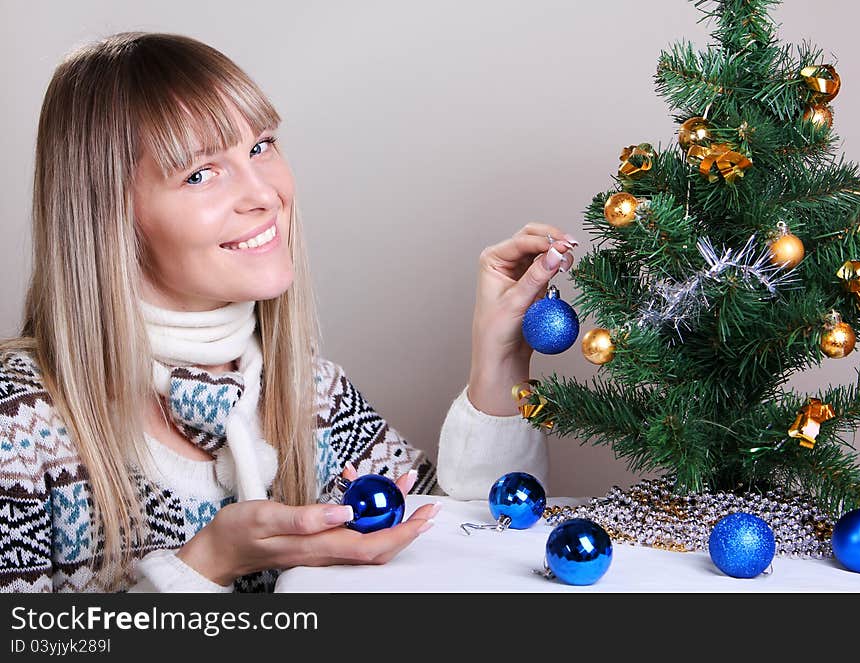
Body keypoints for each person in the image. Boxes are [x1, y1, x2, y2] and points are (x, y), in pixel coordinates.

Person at [0, 32, 576, 593]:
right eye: (199, 174)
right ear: (108, 219)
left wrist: (497, 356)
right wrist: (206, 564)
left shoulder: (312, 393)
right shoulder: (20, 425)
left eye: (260, 147)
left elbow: (473, 533)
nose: (264, 194)